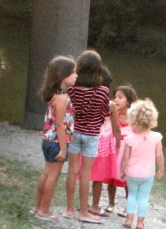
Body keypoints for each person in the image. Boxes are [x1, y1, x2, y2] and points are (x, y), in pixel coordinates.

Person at [64, 49, 111, 224]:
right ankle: (83, 211)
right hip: (91, 135)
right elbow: (104, 113)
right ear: (97, 69)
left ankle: (69, 209)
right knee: (85, 174)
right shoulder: (102, 91)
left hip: (75, 132)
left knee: (72, 170)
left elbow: (70, 112)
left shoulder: (72, 90)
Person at [31, 55, 77, 222]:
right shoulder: (63, 99)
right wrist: (64, 149)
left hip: (47, 140)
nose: (76, 75)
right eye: (73, 72)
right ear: (62, 76)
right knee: (53, 176)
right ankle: (44, 210)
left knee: (47, 173)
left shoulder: (55, 95)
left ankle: (37, 206)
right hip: (57, 142)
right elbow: (59, 125)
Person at [120, 98, 164, 229]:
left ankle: (128, 220)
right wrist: (161, 169)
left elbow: (125, 158)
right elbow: (159, 155)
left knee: (132, 195)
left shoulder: (130, 139)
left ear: (133, 119)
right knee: (143, 198)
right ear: (152, 119)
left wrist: (122, 171)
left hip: (132, 173)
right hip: (147, 174)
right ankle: (140, 223)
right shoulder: (156, 137)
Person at [87, 65, 121, 217]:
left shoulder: (86, 99)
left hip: (88, 138)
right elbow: (116, 128)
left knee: (85, 172)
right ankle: (95, 206)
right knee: (98, 177)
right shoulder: (110, 105)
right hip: (103, 144)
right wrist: (118, 144)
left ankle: (82, 205)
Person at [107, 85, 138, 217]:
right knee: (110, 180)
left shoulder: (134, 119)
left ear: (129, 101)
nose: (116, 100)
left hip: (127, 155)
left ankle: (128, 207)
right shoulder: (113, 115)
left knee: (127, 183)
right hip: (114, 151)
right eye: (115, 97)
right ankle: (111, 204)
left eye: (120, 97)